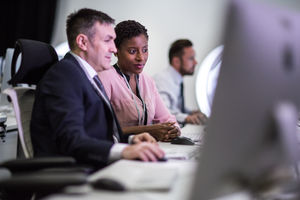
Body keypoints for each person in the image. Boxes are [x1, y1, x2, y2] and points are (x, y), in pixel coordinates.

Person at [30, 8, 165, 169]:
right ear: (83, 42)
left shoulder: (87, 75)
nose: (114, 49)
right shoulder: (63, 76)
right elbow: (72, 140)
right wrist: (123, 151)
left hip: (93, 166)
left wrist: (130, 140)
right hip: (73, 175)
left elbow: (94, 132)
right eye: (107, 40)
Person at [98, 20, 180, 142]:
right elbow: (101, 129)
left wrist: (174, 129)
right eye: (132, 51)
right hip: (116, 153)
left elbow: (167, 118)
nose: (141, 58)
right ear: (116, 51)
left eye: (145, 50)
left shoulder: (147, 81)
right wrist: (148, 130)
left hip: (146, 150)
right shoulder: (105, 78)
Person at [153, 39, 207, 126]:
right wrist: (187, 118)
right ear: (176, 61)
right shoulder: (162, 80)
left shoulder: (177, 80)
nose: (195, 62)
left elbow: (175, 108)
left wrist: (191, 112)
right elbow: (163, 113)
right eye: (191, 58)